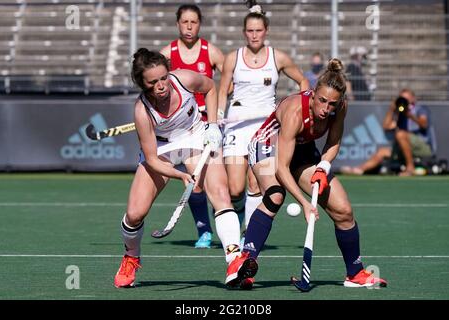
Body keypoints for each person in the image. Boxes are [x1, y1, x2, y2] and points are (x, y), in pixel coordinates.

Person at [226, 58, 387, 289]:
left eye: (332, 103)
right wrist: (304, 202)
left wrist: (323, 167)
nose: (326, 109)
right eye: (322, 101)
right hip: (268, 145)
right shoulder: (294, 112)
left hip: (303, 152)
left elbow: (333, 142)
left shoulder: (340, 107)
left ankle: (355, 273)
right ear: (312, 95)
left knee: (343, 210)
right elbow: (282, 167)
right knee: (275, 196)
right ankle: (243, 261)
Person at [114, 50, 242, 288]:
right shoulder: (142, 111)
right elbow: (152, 159)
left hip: (196, 137)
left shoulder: (184, 79)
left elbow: (211, 88)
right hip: (163, 150)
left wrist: (213, 125)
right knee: (134, 214)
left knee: (221, 195)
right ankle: (131, 257)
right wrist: (181, 174)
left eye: (163, 78)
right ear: (142, 83)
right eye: (153, 82)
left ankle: (235, 261)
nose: (161, 86)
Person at [218, 1, 309, 245]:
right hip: (236, 126)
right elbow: (222, 89)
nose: (254, 35)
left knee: (256, 182)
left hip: (266, 128)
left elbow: (303, 82)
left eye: (258, 30)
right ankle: (237, 218)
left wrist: (297, 107)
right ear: (244, 32)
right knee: (235, 188)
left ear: (265, 31)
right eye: (250, 31)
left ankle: (249, 238)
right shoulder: (232, 58)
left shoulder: (278, 58)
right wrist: (217, 116)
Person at [160, 4, 226, 249]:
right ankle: (204, 231)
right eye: (185, 22)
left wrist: (219, 107)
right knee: (194, 181)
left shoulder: (211, 52)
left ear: (200, 24)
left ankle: (235, 229)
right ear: (178, 24)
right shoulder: (167, 53)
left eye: (194, 22)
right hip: (182, 128)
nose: (189, 27)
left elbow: (228, 77)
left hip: (207, 125)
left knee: (223, 183)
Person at [340, 88, 435, 176]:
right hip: (403, 147)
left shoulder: (420, 109)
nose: (404, 101)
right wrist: (391, 110)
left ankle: (410, 168)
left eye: (406, 98)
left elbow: (423, 124)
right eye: (401, 98)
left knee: (400, 134)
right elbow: (386, 126)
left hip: (422, 146)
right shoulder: (400, 113)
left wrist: (409, 115)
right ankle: (358, 169)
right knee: (382, 151)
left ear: (413, 98)